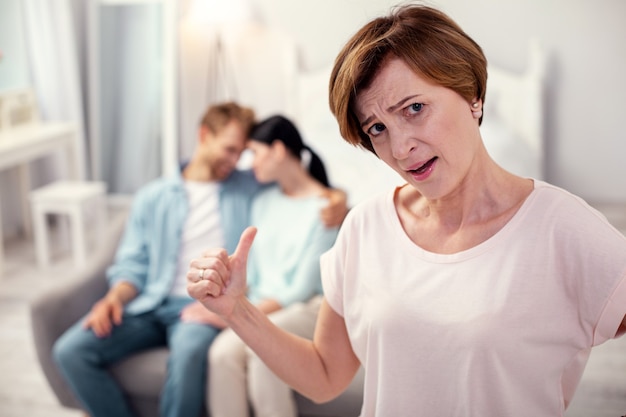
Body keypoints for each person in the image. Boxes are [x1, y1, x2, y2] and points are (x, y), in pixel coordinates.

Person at [187, 4, 626, 417]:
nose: (400, 148)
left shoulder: (561, 227)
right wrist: (236, 310)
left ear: (471, 94)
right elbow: (323, 376)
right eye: (377, 128)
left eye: (415, 109)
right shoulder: (366, 227)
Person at [52, 102, 348, 417]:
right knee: (70, 352)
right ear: (204, 135)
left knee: (191, 354)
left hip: (202, 302)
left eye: (241, 154)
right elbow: (132, 264)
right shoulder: (154, 196)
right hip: (151, 302)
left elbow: (298, 179)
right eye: (230, 149)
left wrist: (338, 198)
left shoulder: (248, 186)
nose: (235, 161)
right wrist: (113, 298)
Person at [207, 115, 339, 417]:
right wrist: (237, 305)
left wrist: (237, 313)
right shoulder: (262, 201)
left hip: (305, 307)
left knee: (263, 351)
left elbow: (301, 290)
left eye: (254, 152)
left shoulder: (327, 207)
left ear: (278, 151)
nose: (250, 163)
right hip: (259, 304)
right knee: (220, 355)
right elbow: (251, 275)